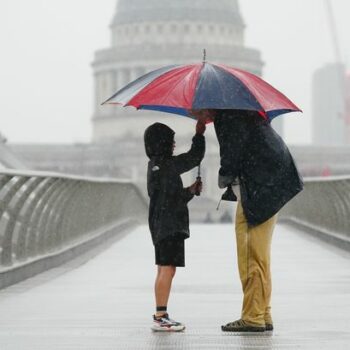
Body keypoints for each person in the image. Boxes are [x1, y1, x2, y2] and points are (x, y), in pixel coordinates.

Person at [190, 109, 303, 333]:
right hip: (269, 182)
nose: (192, 113)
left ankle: (253, 316)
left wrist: (223, 178)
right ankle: (262, 312)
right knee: (257, 252)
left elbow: (231, 157)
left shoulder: (228, 117)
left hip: (262, 186)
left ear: (208, 105)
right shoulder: (241, 113)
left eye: (195, 109)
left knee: (251, 250)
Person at [144, 120, 206, 332]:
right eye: (171, 142)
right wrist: (199, 134)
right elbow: (194, 157)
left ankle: (161, 313)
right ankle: (160, 316)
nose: (173, 146)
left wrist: (189, 190)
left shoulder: (155, 166)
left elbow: (170, 197)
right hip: (170, 225)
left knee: (164, 268)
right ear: (162, 143)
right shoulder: (167, 165)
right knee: (167, 268)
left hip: (160, 223)